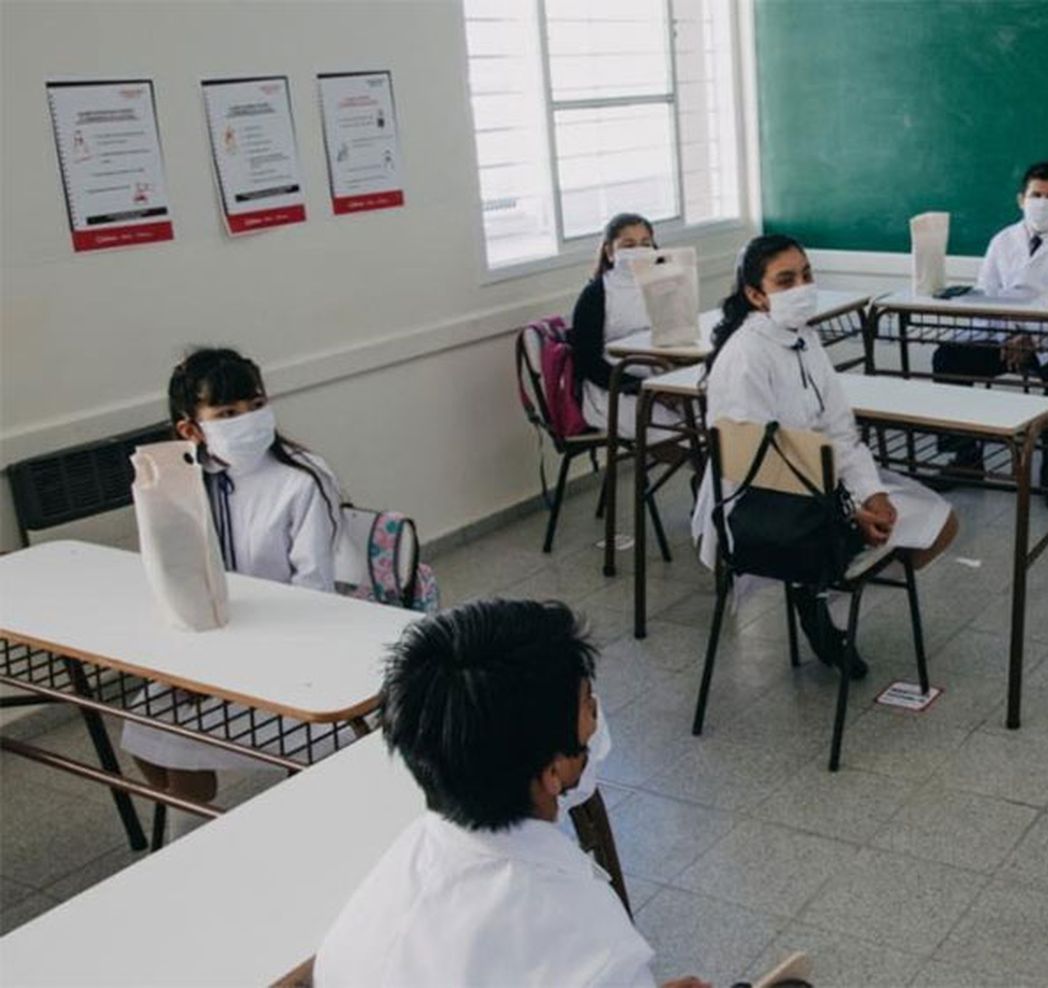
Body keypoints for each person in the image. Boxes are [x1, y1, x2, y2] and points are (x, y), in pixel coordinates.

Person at [314, 599, 707, 988]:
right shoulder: (595, 949)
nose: (596, 719)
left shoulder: (364, 917)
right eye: (588, 706)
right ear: (553, 772)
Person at [691, 234, 959, 680]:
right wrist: (850, 511)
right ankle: (816, 592)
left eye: (807, 274)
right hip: (762, 511)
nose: (802, 287)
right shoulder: (745, 356)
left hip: (820, 489)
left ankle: (813, 591)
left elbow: (838, 429)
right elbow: (765, 466)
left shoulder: (804, 339)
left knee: (940, 525)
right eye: (786, 280)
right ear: (756, 295)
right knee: (881, 537)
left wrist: (869, 494)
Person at [121, 347, 342, 838]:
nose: (248, 421)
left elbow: (316, 595)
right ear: (190, 431)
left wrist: (229, 664)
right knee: (138, 727)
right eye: (226, 414)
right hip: (212, 643)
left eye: (255, 405)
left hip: (292, 649)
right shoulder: (181, 482)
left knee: (178, 742)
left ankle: (193, 842)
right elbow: (176, 578)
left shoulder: (302, 478)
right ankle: (201, 829)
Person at [932, 161, 1048, 507]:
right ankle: (967, 458)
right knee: (948, 357)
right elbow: (985, 295)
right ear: (1021, 199)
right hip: (1002, 337)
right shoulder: (1003, 240)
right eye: (1036, 195)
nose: (1043, 202)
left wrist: (1034, 339)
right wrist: (1011, 333)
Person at [569, 212, 677, 436]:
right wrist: (643, 388)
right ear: (610, 252)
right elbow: (587, 362)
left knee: (707, 418)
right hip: (615, 389)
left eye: (645, 244)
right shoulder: (596, 295)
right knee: (674, 430)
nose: (638, 250)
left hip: (661, 378)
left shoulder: (661, 284)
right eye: (629, 245)